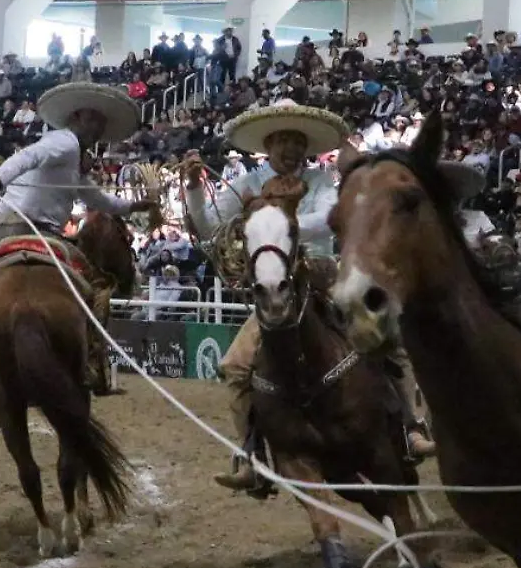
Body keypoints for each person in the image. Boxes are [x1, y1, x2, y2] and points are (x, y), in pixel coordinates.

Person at [183, 103, 436, 495]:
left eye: (297, 141)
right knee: (235, 366)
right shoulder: (250, 181)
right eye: (282, 140)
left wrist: (280, 223)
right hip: (277, 284)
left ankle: (410, 426)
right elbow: (209, 225)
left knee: (388, 338)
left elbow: (327, 219)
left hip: (322, 274)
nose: (290, 148)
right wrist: (196, 188)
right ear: (268, 145)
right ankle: (252, 456)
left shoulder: (320, 180)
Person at [0, 82, 157, 393]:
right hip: (23, 224)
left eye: (101, 125)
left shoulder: (73, 160)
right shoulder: (64, 142)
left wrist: (132, 205)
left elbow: (97, 199)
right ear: (78, 117)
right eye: (94, 121)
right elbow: (28, 156)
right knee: (93, 286)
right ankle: (92, 361)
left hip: (29, 228)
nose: (98, 129)